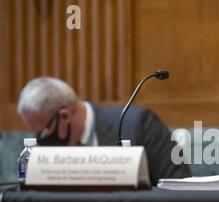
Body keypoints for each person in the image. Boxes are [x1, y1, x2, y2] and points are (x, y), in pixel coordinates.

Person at [17, 76, 191, 185]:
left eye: (44, 133)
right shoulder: (44, 150)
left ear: (64, 116)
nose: (40, 140)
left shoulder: (139, 124)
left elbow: (180, 187)